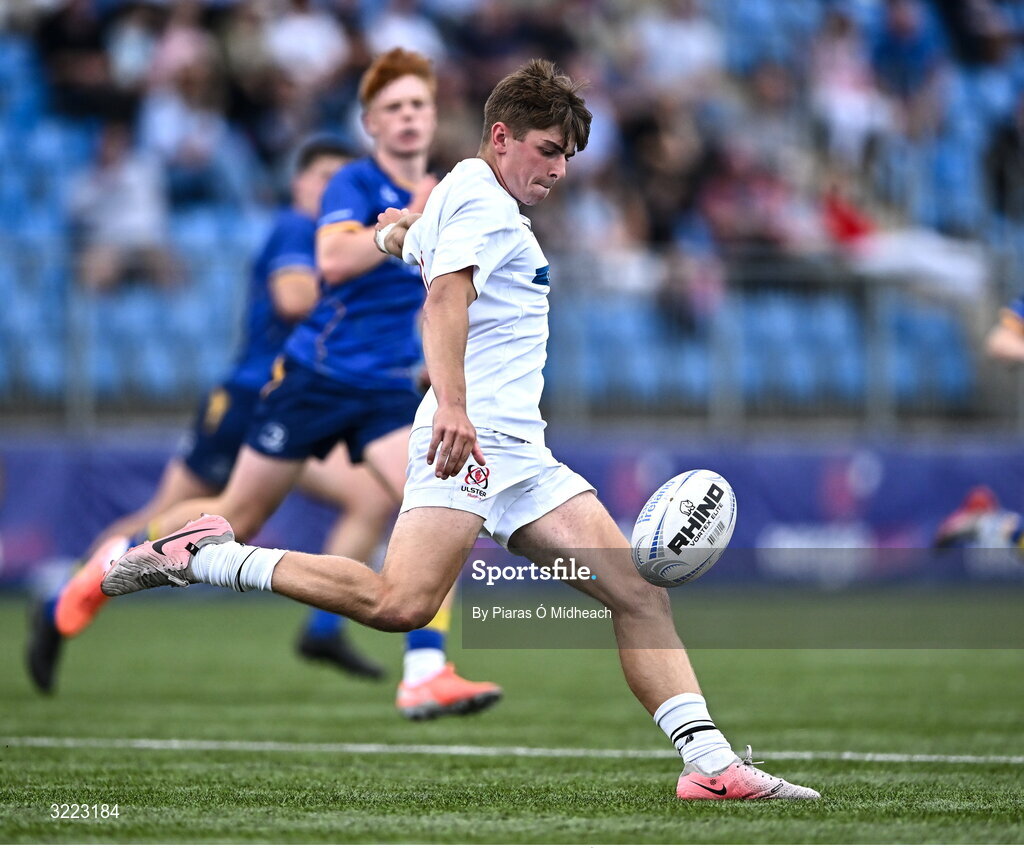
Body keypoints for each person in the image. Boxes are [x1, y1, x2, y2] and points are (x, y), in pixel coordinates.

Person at [100, 59, 820, 801]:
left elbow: (418, 246)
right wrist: (451, 404)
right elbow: (444, 299)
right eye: (548, 149)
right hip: (467, 440)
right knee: (399, 604)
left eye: (569, 157)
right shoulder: (481, 203)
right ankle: (209, 557)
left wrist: (390, 237)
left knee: (638, 595)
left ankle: (710, 768)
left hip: (520, 455)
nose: (561, 169)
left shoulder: (462, 193)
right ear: (501, 137)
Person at [50, 48, 502, 722]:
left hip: (384, 388)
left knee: (443, 509)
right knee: (239, 514)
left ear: (433, 116)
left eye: (419, 105)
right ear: (370, 122)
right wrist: (412, 221)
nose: (409, 117)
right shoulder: (352, 181)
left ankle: (426, 671)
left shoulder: (446, 188)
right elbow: (332, 257)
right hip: (314, 377)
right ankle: (113, 561)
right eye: (394, 108)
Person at [28, 135, 392, 693]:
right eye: (323, 177)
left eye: (343, 181)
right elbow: (294, 299)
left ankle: (323, 629)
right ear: (299, 183)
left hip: (298, 399)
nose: (332, 189)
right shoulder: (300, 229)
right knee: (204, 516)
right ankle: (72, 591)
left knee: (366, 497)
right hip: (251, 397)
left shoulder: (332, 236)